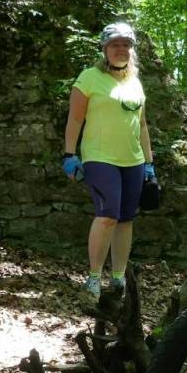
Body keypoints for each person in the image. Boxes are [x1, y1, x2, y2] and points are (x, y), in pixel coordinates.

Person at [62, 22, 156, 297]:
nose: (121, 49)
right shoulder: (89, 78)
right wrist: (70, 154)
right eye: (115, 44)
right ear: (104, 49)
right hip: (100, 157)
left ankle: (118, 279)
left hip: (134, 161)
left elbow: (142, 126)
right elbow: (75, 119)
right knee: (107, 216)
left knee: (126, 219)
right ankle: (93, 278)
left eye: (126, 45)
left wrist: (149, 163)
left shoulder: (135, 83)